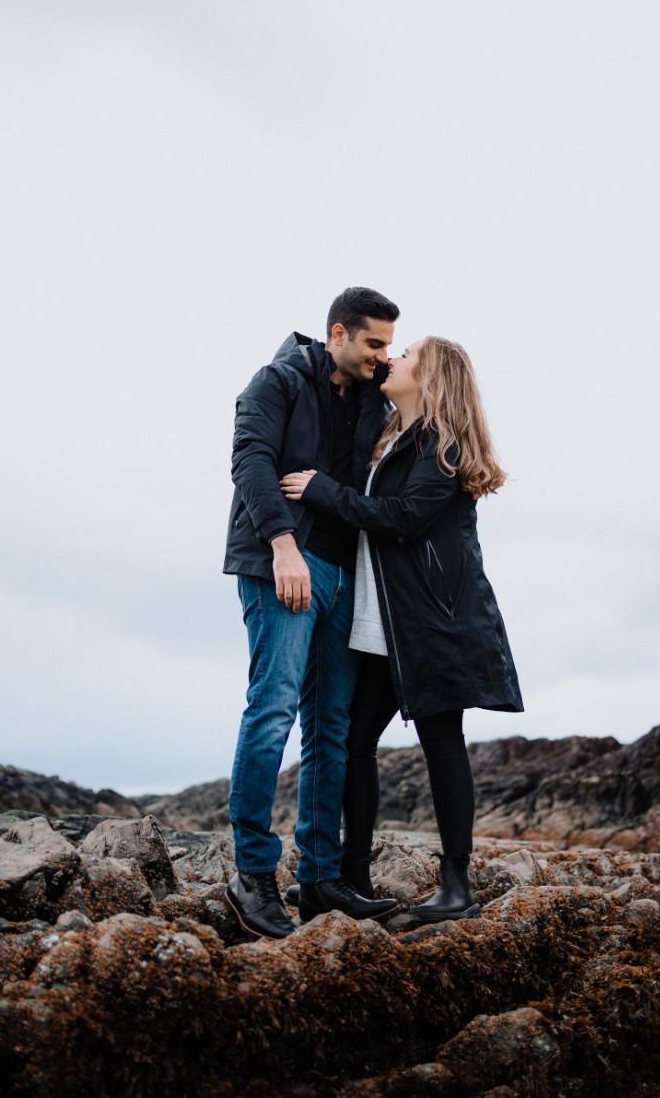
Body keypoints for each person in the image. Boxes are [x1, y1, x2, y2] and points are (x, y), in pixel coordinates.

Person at [281, 336, 524, 922]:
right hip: (385, 619)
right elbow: (337, 375)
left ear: (432, 375)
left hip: (432, 623)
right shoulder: (391, 436)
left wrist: (322, 489)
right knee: (354, 741)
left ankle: (456, 885)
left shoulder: (440, 443)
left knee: (442, 742)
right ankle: (352, 876)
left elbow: (404, 519)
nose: (392, 359)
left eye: (406, 354)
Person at [223, 287, 401, 939]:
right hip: (282, 567)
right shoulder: (277, 380)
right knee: (271, 709)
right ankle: (251, 874)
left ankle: (320, 880)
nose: (383, 355)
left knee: (329, 727)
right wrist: (281, 545)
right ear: (338, 334)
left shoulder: (373, 399)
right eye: (373, 343)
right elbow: (250, 461)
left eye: (388, 345)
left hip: (342, 574)